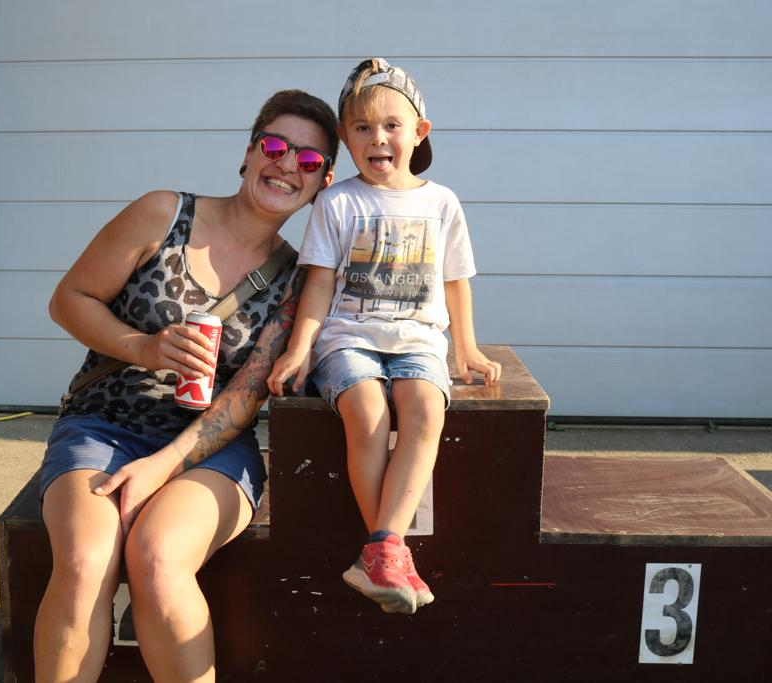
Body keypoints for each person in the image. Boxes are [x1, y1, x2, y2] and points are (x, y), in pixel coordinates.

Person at [35, 89, 338, 682]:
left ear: (323, 182)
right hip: (104, 423)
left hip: (209, 449)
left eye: (308, 160)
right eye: (275, 147)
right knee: (85, 562)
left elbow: (246, 397)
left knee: (158, 558)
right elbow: (68, 299)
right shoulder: (163, 214)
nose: (287, 165)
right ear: (249, 153)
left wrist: (162, 466)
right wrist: (143, 347)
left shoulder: (298, 281)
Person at [267, 59, 501, 615]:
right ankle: (388, 553)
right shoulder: (338, 202)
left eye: (392, 125)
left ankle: (381, 549)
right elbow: (319, 283)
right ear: (345, 138)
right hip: (348, 339)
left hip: (419, 341)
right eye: (363, 127)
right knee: (368, 414)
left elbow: (455, 280)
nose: (378, 138)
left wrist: (467, 347)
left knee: (425, 411)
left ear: (419, 132)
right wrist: (299, 349)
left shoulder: (441, 203)